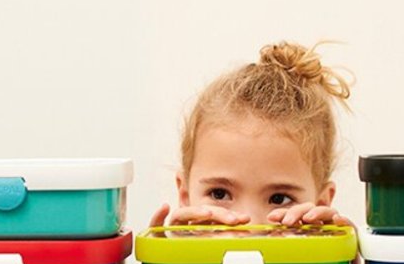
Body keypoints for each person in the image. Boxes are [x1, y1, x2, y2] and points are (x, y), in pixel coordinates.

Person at [149, 40, 354, 229]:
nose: (249, 225)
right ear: (185, 196)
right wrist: (165, 263)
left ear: (321, 203)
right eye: (219, 194)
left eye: (279, 199)